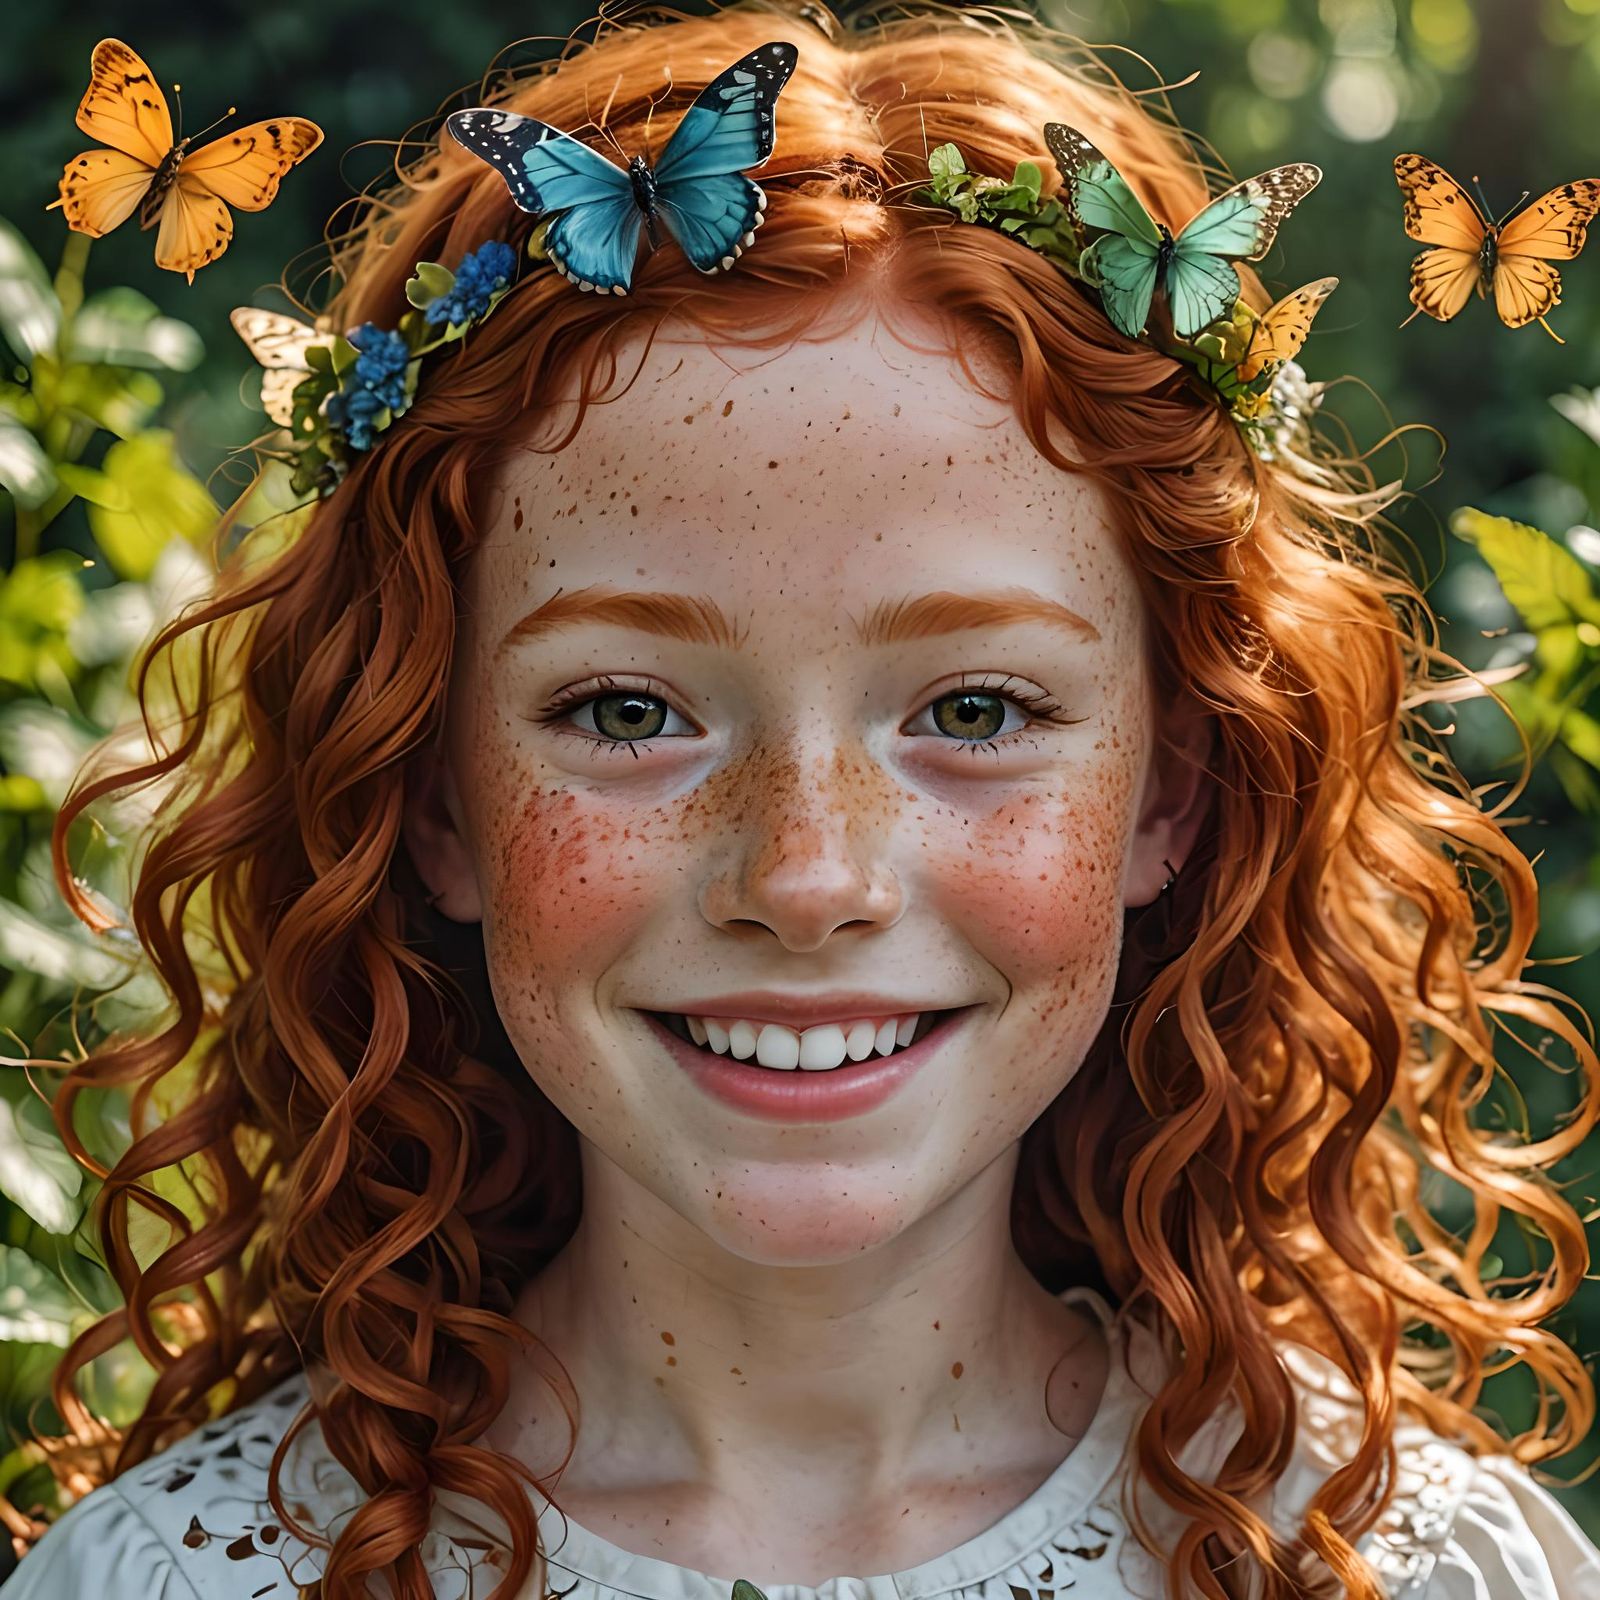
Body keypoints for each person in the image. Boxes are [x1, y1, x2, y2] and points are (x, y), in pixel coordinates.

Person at [6, 3, 1600, 1598]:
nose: (808, 874)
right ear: (428, 794)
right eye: (627, 711)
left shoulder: (1408, 1568)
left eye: (974, 710)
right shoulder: (174, 1578)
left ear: (1170, 791)